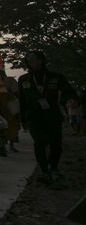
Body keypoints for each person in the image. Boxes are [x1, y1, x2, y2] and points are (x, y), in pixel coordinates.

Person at [18, 51, 77, 184]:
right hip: (33, 117)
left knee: (56, 144)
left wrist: (71, 100)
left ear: (41, 60)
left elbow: (68, 92)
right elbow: (22, 101)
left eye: (34, 59)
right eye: (29, 60)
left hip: (52, 115)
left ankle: (53, 167)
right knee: (40, 142)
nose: (31, 62)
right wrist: (22, 120)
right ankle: (44, 170)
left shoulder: (55, 77)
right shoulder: (24, 79)